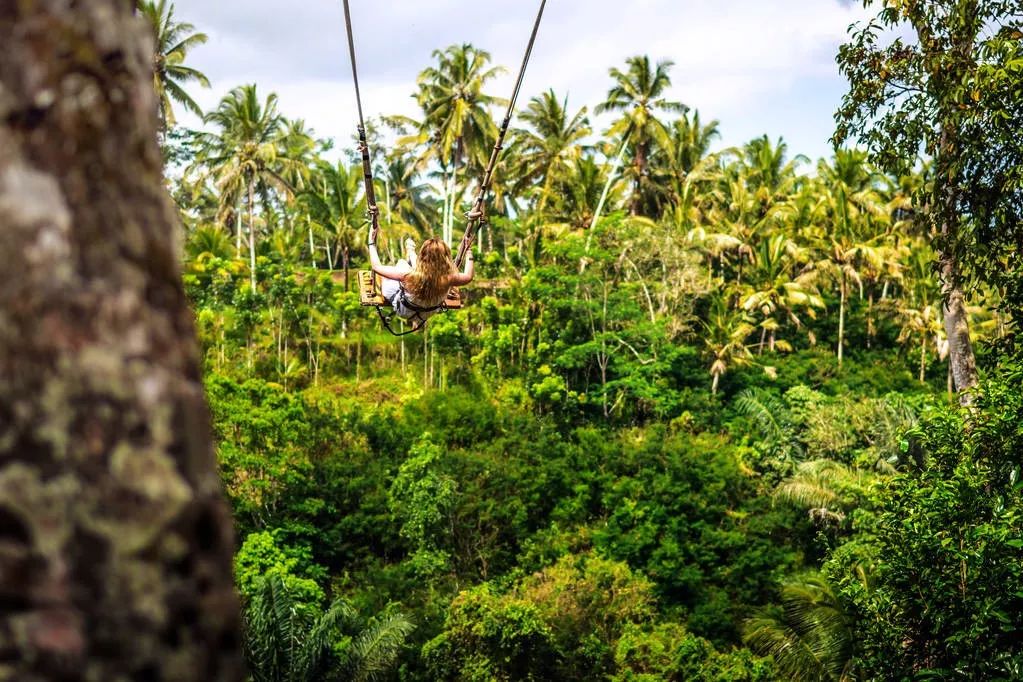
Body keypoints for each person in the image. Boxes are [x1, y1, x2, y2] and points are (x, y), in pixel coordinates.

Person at [367, 220, 474, 325]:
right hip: (427, 313)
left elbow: (376, 267)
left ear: (422, 256)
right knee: (407, 267)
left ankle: (410, 251)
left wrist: (371, 243)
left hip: (404, 311)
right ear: (445, 258)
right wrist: (468, 251)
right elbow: (468, 276)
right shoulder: (449, 278)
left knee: (401, 264)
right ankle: (411, 251)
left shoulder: (408, 275)